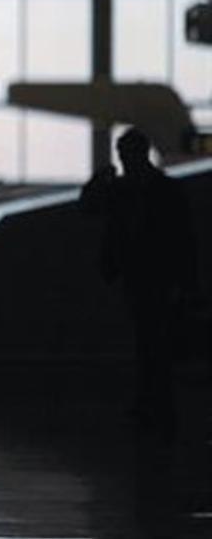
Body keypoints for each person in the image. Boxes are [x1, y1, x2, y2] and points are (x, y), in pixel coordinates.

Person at [80, 128, 196, 431]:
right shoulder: (164, 190)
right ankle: (154, 401)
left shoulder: (123, 191)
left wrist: (99, 180)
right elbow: (185, 240)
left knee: (150, 341)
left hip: (144, 274)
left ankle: (152, 401)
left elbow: (88, 208)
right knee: (152, 341)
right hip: (151, 274)